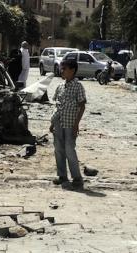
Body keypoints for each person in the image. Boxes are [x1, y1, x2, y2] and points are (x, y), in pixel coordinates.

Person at [49, 59, 86, 191]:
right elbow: (57, 106)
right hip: (58, 122)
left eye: (64, 68)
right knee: (58, 149)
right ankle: (62, 176)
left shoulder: (78, 86)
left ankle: (77, 178)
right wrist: (52, 123)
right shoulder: (60, 86)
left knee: (69, 150)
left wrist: (76, 124)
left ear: (72, 70)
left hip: (70, 124)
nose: (62, 71)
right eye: (61, 68)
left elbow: (82, 106)